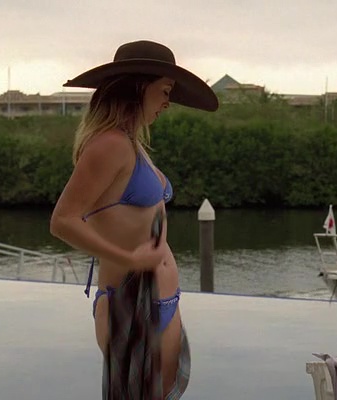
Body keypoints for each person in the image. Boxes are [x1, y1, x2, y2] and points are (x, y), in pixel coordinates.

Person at [50, 40, 218, 399]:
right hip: (129, 300)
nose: (167, 102)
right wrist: (128, 258)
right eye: (165, 91)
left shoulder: (131, 143)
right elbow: (63, 220)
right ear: (139, 87)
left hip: (157, 297)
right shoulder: (109, 144)